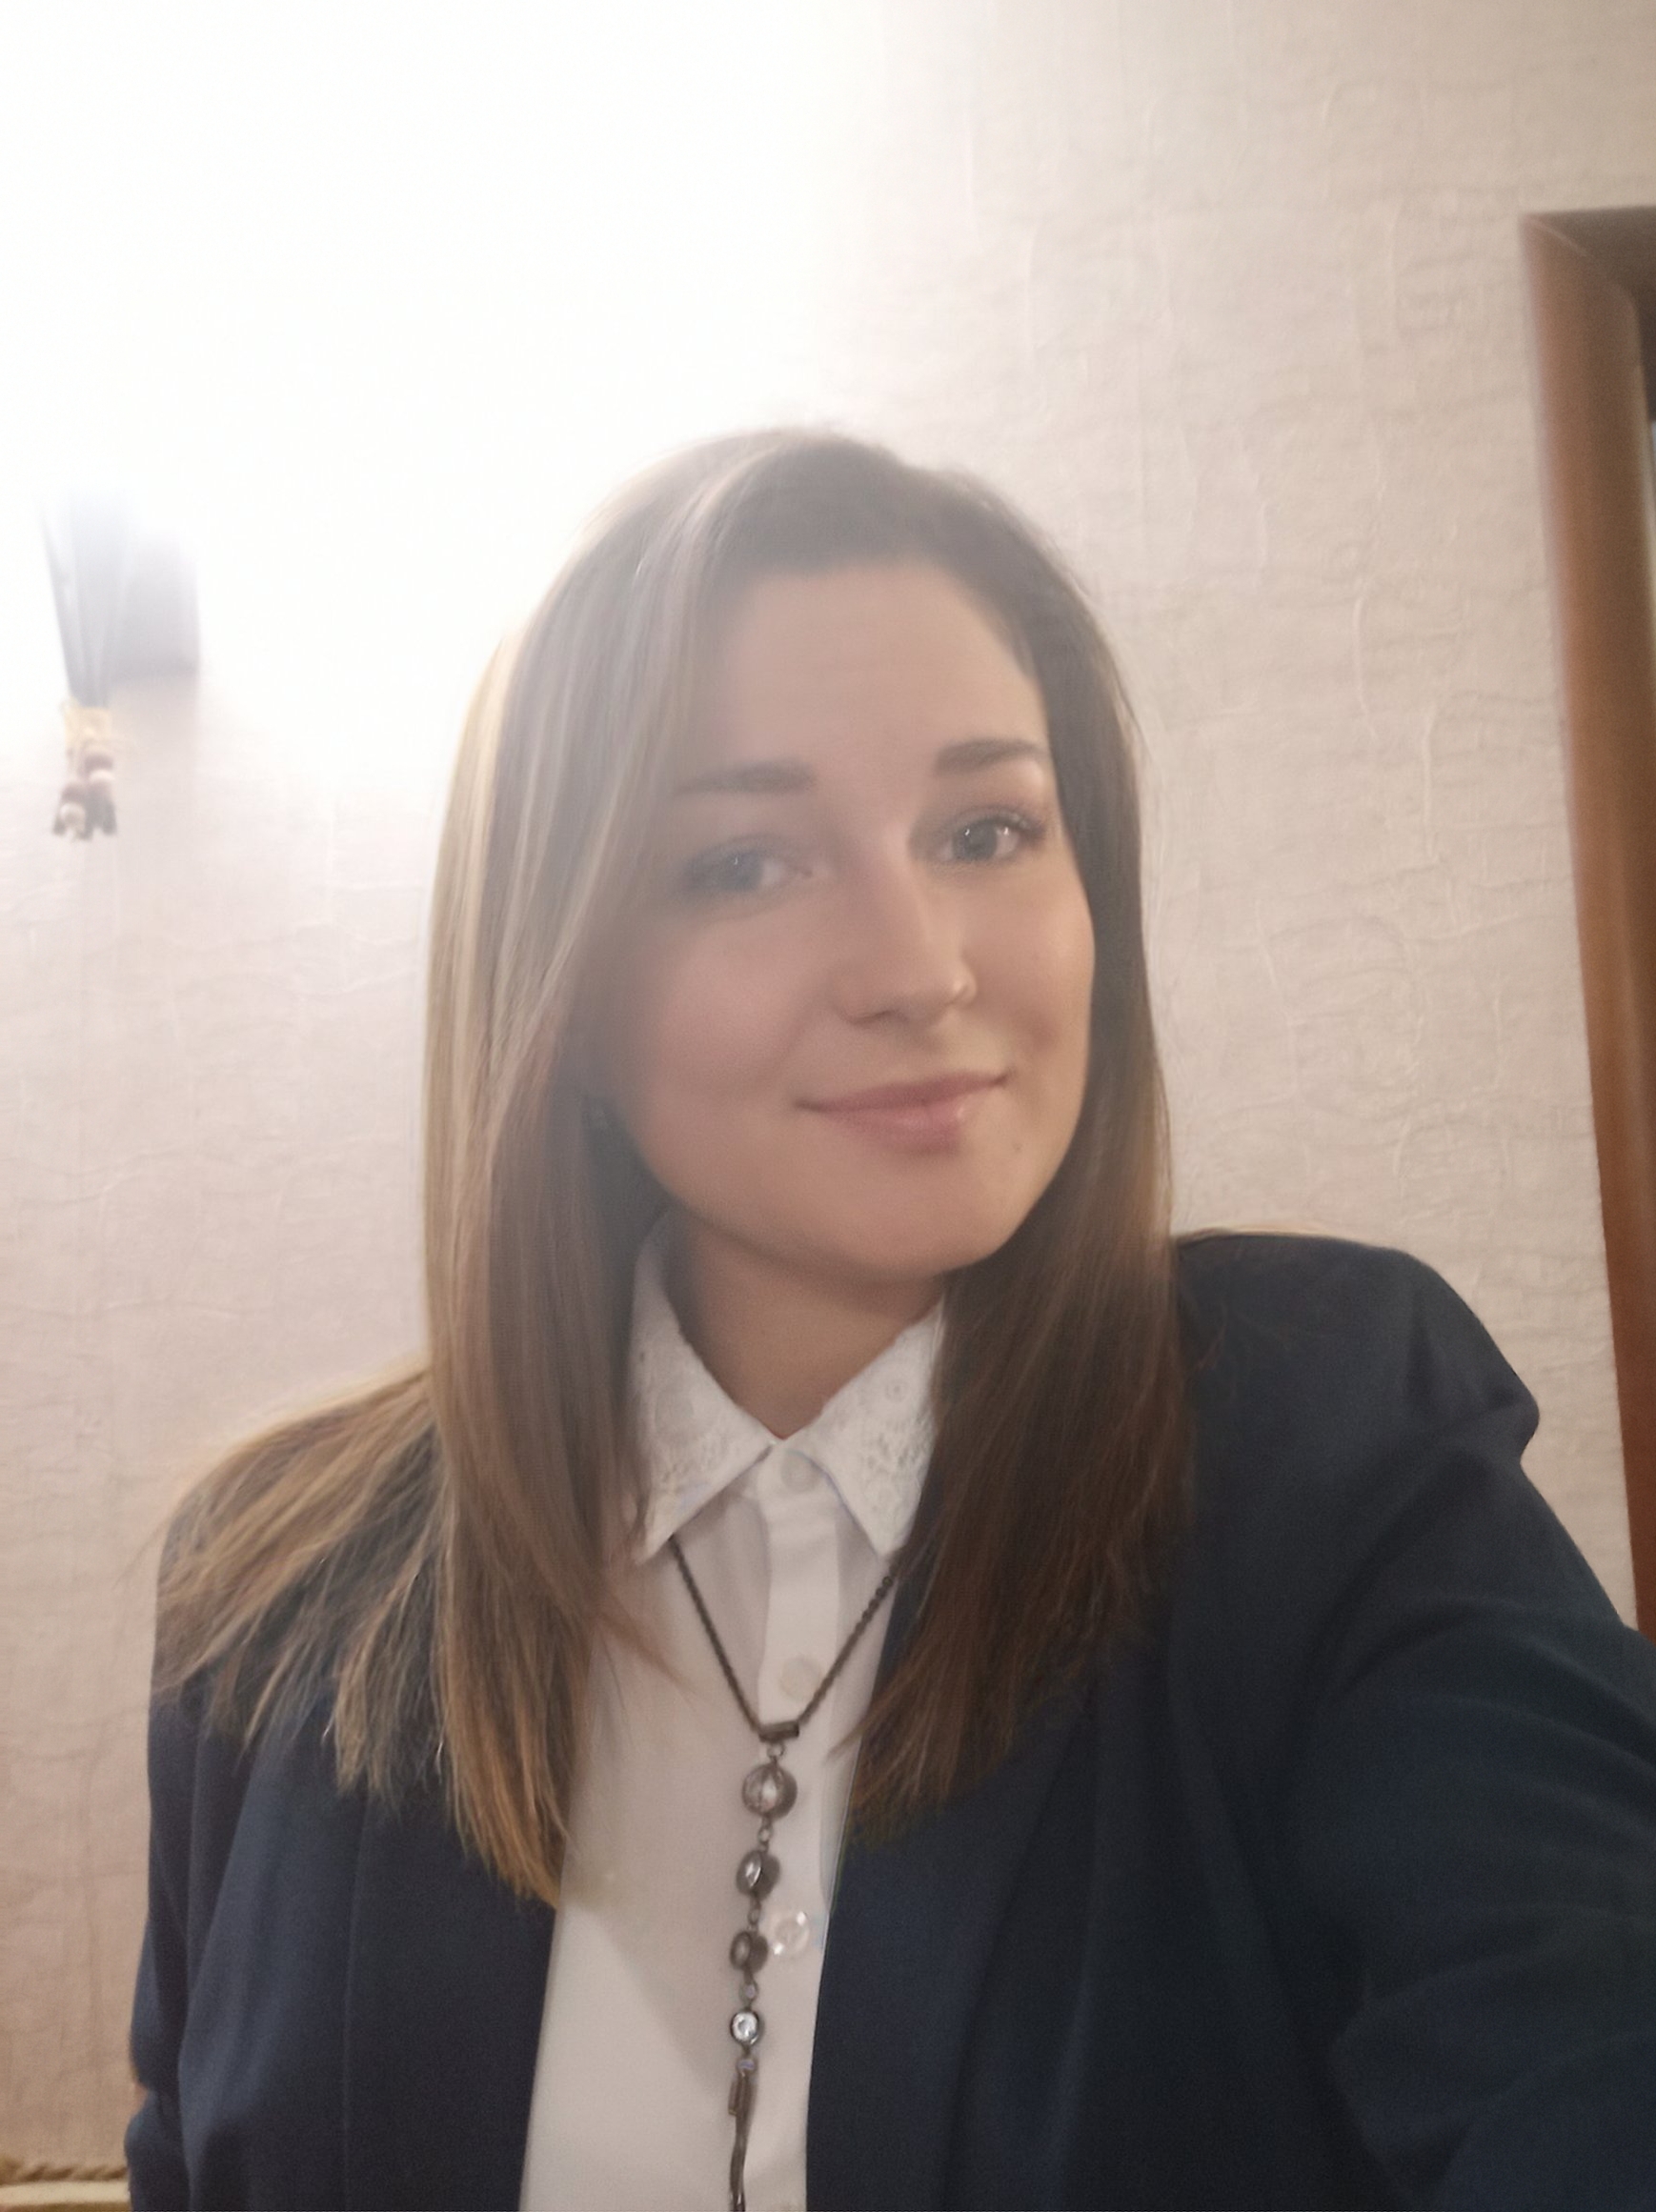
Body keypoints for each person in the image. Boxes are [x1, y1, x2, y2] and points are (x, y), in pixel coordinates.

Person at [127, 431, 1656, 2212]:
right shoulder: (278, 1589)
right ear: (562, 987)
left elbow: (1583, 2014)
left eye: (985, 830)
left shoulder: (1329, 1437)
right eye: (744, 864)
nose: (922, 966)